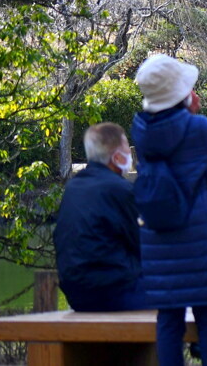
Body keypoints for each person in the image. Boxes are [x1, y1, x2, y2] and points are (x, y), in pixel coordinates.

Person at [133, 55, 207, 366]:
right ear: (183, 94)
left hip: (160, 242)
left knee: (169, 319)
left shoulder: (143, 131)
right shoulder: (195, 128)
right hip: (202, 238)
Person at [54, 123, 148, 312]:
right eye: (126, 148)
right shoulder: (119, 189)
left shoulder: (73, 188)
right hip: (115, 293)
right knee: (183, 290)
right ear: (117, 156)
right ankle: (202, 341)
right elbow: (142, 244)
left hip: (76, 295)